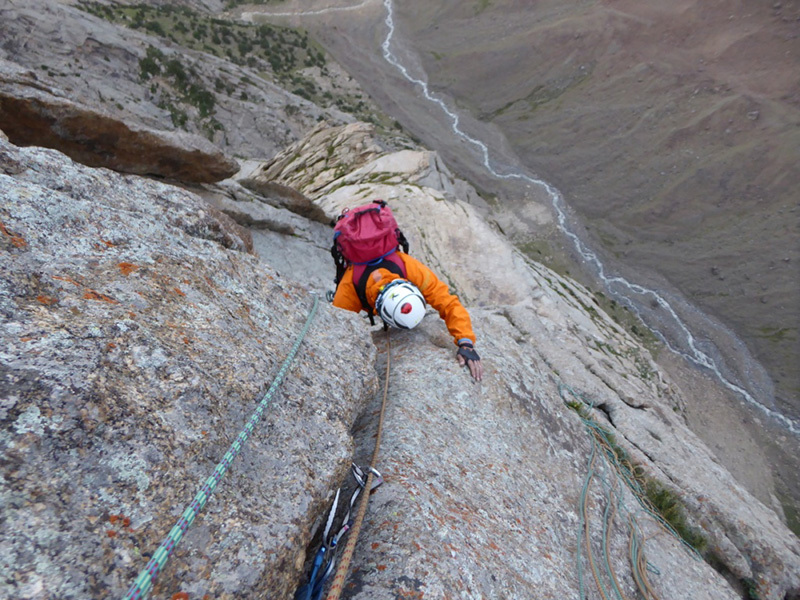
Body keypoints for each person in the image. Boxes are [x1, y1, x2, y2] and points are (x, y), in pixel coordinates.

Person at [332, 251, 483, 381]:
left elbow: (449, 304)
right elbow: (336, 328)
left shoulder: (411, 269)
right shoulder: (350, 286)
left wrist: (466, 342)